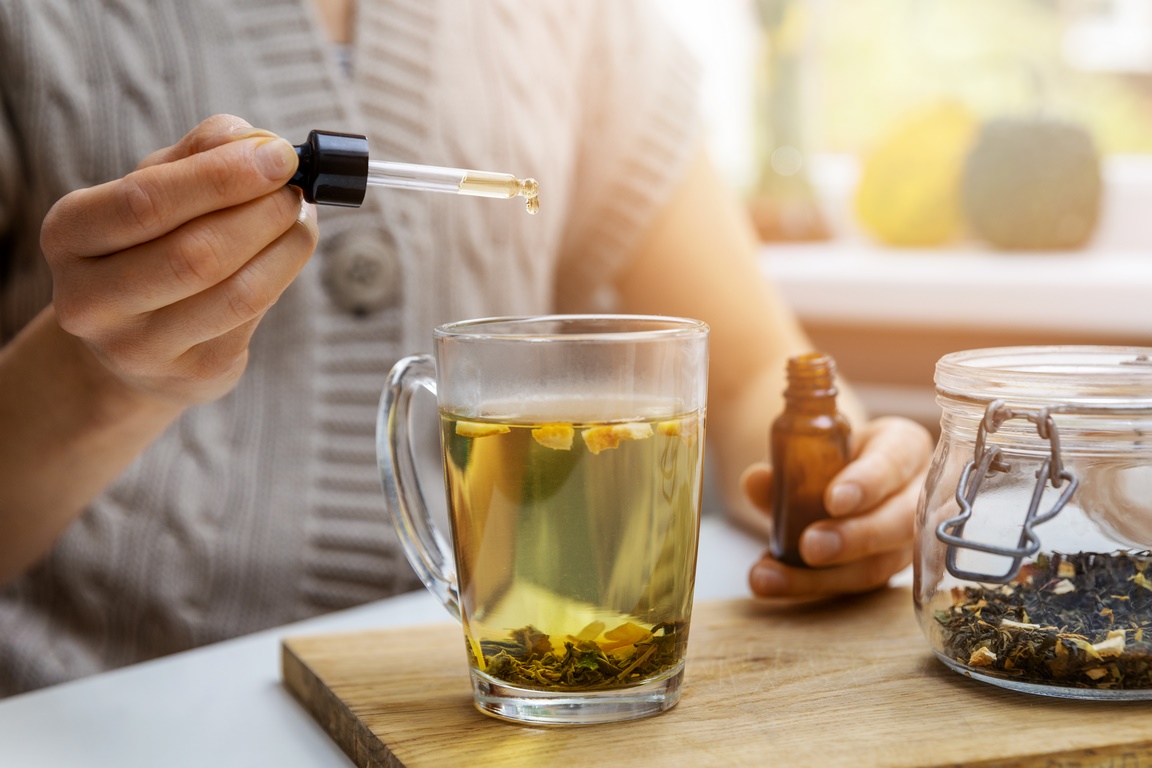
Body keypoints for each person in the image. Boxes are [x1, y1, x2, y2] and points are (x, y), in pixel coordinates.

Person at [0, 0, 932, 696]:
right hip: (106, 714)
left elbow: (743, 378)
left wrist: (851, 480)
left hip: (509, 704)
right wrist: (102, 379)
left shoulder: (579, 24)